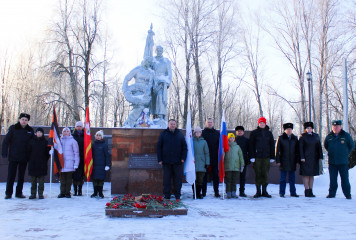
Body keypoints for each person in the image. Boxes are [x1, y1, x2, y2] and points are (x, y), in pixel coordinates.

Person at [2, 113, 34, 199]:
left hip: (24, 157)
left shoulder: (30, 130)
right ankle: (8, 193)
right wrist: (4, 152)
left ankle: (19, 193)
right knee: (11, 176)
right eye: (22, 119)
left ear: (28, 121)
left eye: (26, 120)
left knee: (21, 176)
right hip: (13, 156)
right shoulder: (13, 128)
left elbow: (33, 144)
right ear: (19, 119)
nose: (24, 121)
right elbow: (6, 141)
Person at [157, 119, 187, 200]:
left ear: (176, 125)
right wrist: (160, 159)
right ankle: (167, 195)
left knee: (178, 179)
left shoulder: (180, 134)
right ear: (168, 125)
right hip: (166, 161)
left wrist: (183, 158)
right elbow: (159, 147)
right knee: (166, 179)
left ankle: (177, 194)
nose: (172, 125)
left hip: (178, 161)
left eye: (174, 124)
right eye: (171, 124)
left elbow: (184, 147)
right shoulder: (163, 134)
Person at [324, 120, 355, 199]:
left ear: (340, 127)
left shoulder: (346, 136)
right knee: (333, 179)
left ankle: (347, 194)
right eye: (334, 126)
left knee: (345, 179)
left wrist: (345, 153)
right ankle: (332, 193)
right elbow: (326, 145)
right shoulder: (329, 136)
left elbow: (351, 146)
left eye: (337, 126)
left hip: (343, 162)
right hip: (332, 162)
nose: (335, 128)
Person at [249, 117, 275, 198]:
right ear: (258, 123)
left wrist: (272, 157)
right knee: (258, 174)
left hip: (266, 157)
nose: (262, 124)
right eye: (260, 123)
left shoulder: (269, 133)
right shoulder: (254, 133)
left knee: (265, 174)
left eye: (263, 123)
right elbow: (251, 145)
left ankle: (264, 191)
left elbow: (272, 145)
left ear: (265, 123)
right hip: (257, 157)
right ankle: (258, 191)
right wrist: (252, 156)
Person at [299, 122, 323, 197]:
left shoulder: (316, 136)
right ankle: (306, 190)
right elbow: (300, 148)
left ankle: (311, 190)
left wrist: (320, 156)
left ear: (312, 129)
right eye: (308, 128)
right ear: (305, 129)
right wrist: (302, 157)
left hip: (314, 158)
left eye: (310, 128)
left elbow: (319, 147)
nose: (309, 129)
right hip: (305, 158)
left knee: (312, 175)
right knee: (306, 174)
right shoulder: (302, 136)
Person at [275, 123, 300, 198]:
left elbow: (297, 150)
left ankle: (293, 192)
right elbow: (277, 150)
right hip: (283, 161)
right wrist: (278, 161)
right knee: (283, 178)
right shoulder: (281, 138)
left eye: (290, 129)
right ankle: (282, 192)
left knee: (292, 178)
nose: (289, 131)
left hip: (292, 161)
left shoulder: (295, 138)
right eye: (287, 129)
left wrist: (297, 160)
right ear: (284, 130)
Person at [27, 127, 50, 199]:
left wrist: (49, 152)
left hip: (42, 164)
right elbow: (28, 152)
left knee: (41, 181)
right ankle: (33, 193)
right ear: (36, 133)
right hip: (33, 163)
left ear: (42, 134)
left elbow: (47, 154)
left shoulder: (46, 142)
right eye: (38, 132)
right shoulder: (31, 141)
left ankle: (40, 193)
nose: (39, 133)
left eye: (40, 132)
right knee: (33, 181)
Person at [151, 45, 172, 120]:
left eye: (160, 50)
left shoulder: (166, 61)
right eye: (158, 50)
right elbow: (150, 71)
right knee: (151, 99)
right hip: (153, 82)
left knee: (160, 97)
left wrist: (166, 82)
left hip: (162, 83)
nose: (159, 52)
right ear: (156, 51)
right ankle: (151, 115)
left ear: (162, 51)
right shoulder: (152, 60)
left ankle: (160, 115)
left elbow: (169, 74)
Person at [58, 127, 79, 198]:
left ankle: (68, 192)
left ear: (69, 133)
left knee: (69, 180)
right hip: (62, 163)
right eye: (64, 131)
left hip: (70, 163)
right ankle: (62, 192)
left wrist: (76, 164)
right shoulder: (60, 140)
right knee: (62, 180)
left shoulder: (73, 141)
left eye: (67, 131)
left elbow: (76, 153)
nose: (65, 132)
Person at [202, 118, 221, 198]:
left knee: (216, 176)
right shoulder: (202, 133)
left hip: (214, 158)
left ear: (213, 123)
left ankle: (216, 192)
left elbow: (220, 146)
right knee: (204, 176)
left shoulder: (217, 133)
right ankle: (203, 192)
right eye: (208, 122)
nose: (209, 123)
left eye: (211, 122)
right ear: (206, 123)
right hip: (204, 159)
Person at [91, 130, 111, 198]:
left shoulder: (104, 145)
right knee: (95, 179)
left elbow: (107, 156)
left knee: (100, 180)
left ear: (101, 137)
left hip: (102, 165)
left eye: (100, 135)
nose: (98, 137)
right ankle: (95, 192)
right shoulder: (93, 145)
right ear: (95, 136)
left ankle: (100, 192)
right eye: (97, 135)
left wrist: (107, 165)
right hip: (94, 165)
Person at [224, 133, 244, 199]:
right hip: (228, 167)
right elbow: (223, 156)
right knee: (228, 180)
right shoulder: (225, 147)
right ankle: (228, 192)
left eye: (232, 138)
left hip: (236, 167)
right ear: (228, 139)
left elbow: (241, 156)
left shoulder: (237, 147)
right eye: (230, 138)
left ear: (234, 139)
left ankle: (233, 192)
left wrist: (242, 165)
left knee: (234, 180)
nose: (231, 139)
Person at [192, 126, 210, 199]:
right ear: (194, 133)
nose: (198, 133)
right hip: (193, 164)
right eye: (196, 132)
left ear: (201, 133)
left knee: (200, 180)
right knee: (194, 180)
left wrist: (207, 163)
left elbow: (206, 153)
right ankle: (194, 193)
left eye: (199, 132)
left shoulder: (204, 142)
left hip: (202, 164)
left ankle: (199, 193)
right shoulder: (191, 141)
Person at [235, 126, 250, 197]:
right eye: (238, 131)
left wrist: (248, 159)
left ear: (243, 132)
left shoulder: (247, 140)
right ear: (236, 132)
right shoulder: (233, 140)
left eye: (241, 131)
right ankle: (232, 191)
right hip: (234, 161)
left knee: (242, 177)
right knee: (233, 176)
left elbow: (249, 150)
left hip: (243, 161)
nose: (239, 132)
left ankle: (242, 191)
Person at [72, 121, 84, 196]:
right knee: (74, 175)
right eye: (78, 126)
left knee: (81, 175)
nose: (79, 127)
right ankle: (75, 190)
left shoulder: (85, 135)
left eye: (80, 126)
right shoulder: (72, 135)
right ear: (75, 127)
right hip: (74, 157)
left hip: (82, 157)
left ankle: (80, 190)